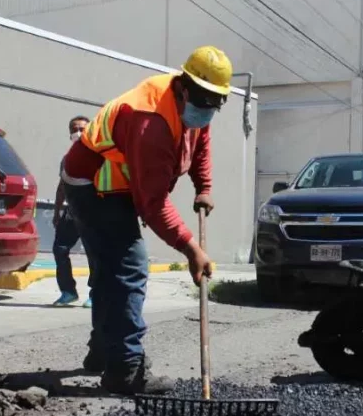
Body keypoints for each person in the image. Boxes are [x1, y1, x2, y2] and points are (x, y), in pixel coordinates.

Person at [61, 46, 230, 395]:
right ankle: (125, 369)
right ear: (183, 85)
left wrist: (204, 187)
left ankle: (104, 353)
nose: (207, 106)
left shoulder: (194, 110)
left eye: (215, 100)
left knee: (110, 271)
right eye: (202, 97)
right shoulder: (150, 120)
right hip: (92, 185)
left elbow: (200, 143)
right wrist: (191, 248)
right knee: (130, 267)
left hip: (122, 185)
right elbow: (152, 205)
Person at [52, 116, 95, 307]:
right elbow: (62, 186)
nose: (78, 132)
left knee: (95, 253)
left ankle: (96, 293)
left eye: (82, 129)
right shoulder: (66, 159)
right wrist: (56, 212)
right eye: (74, 128)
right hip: (71, 213)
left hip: (93, 213)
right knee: (59, 249)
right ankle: (68, 292)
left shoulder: (98, 156)